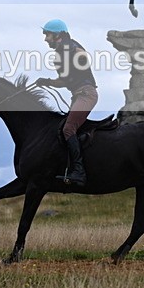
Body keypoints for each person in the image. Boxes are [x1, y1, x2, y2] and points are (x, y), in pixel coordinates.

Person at [35, 19, 98, 186]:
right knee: (63, 128)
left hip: (86, 94)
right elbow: (64, 81)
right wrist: (47, 81)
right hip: (77, 96)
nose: (45, 39)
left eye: (47, 35)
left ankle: (79, 172)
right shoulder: (60, 54)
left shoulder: (72, 48)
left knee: (68, 128)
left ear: (57, 35)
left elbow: (82, 57)